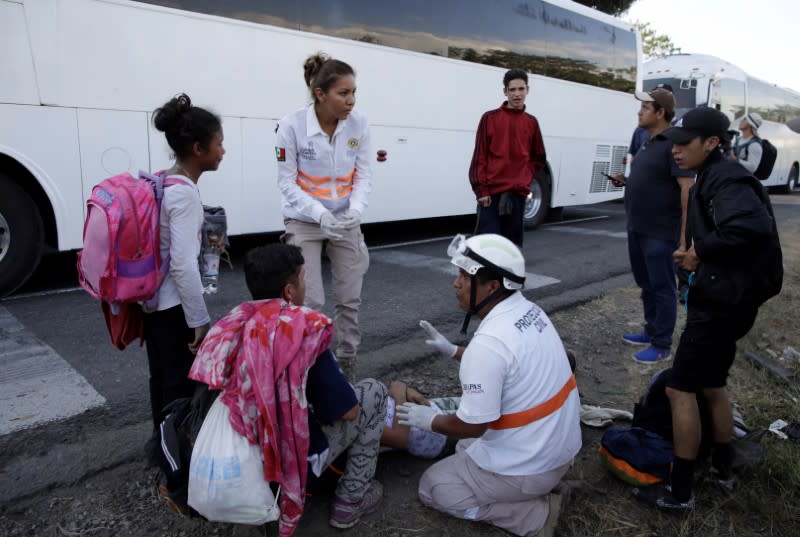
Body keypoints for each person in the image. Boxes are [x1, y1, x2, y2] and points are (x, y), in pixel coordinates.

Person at [632, 107, 782, 510]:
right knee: (712, 384)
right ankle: (723, 470)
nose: (676, 151)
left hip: (721, 304)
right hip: (731, 300)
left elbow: (751, 227)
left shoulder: (728, 178)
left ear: (712, 143)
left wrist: (699, 252)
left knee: (680, 388)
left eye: (685, 144)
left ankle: (679, 493)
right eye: (674, 143)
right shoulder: (713, 174)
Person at [190, 243, 387, 534]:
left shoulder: (230, 326)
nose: (306, 284)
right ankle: (350, 501)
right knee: (373, 393)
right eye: (304, 278)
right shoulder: (301, 334)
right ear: (289, 291)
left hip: (239, 455)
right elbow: (349, 412)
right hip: (285, 462)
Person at [398, 234, 581, 537]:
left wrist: (431, 421)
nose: (456, 283)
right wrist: (453, 350)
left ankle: (536, 516)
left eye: (464, 276)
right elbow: (508, 366)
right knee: (466, 450)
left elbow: (473, 426)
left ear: (493, 286)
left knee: (434, 487)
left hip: (532, 466)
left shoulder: (489, 343)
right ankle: (533, 486)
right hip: (560, 448)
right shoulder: (530, 312)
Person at [275, 52, 371, 380]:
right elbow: (286, 182)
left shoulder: (359, 124)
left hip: (345, 218)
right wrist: (318, 213)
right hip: (304, 219)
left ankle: (347, 364)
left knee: (350, 297)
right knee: (310, 300)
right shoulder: (291, 126)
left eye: (354, 92)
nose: (351, 101)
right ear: (320, 94)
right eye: (344, 93)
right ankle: (312, 369)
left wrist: (355, 211)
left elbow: (363, 174)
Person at [144, 93, 222, 463]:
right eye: (219, 143)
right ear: (198, 148)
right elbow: (182, 265)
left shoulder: (163, 181)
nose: (223, 150)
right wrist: (200, 321)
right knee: (179, 386)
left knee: (160, 379)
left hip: (151, 303)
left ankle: (161, 451)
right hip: (173, 306)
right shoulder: (185, 194)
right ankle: (178, 463)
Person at [611, 87, 695, 363]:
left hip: (660, 232)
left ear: (661, 113)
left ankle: (661, 344)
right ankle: (650, 330)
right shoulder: (648, 140)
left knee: (662, 287)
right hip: (638, 227)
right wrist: (627, 181)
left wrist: (685, 239)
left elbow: (686, 189)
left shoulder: (675, 144)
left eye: (645, 107)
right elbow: (653, 180)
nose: (640, 111)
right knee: (646, 283)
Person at [468, 69, 547, 246]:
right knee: (486, 250)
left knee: (510, 251)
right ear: (505, 92)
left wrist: (524, 180)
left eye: (521, 89)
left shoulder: (531, 122)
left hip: (517, 196)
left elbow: (539, 158)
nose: (517, 94)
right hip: (490, 196)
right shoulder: (489, 118)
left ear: (528, 90)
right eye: (512, 90)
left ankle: (504, 276)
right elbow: (479, 156)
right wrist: (481, 190)